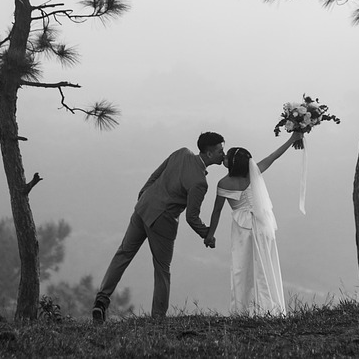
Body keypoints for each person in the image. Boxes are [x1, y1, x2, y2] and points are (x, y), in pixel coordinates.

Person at [92, 131, 226, 321]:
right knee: (162, 269)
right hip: (163, 220)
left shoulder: (182, 153)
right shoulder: (199, 183)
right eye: (221, 150)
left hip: (144, 206)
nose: (224, 153)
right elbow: (192, 217)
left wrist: (144, 195)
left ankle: (101, 300)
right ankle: (158, 318)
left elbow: (156, 174)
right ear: (209, 154)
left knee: (123, 253)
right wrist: (207, 235)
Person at [205, 133, 299, 316]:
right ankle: (270, 308)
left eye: (227, 157)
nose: (223, 157)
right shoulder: (253, 173)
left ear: (232, 164)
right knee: (266, 265)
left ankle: (244, 309)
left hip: (243, 230)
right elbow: (273, 157)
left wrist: (210, 234)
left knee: (243, 268)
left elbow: (216, 211)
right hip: (263, 225)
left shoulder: (224, 183)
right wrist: (292, 139)